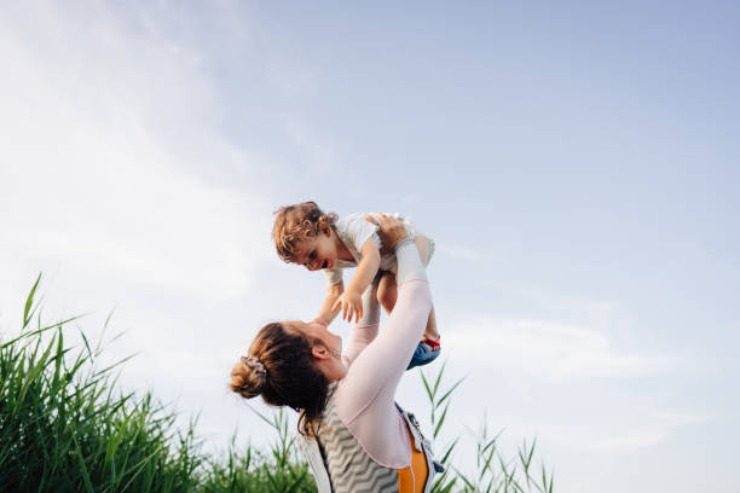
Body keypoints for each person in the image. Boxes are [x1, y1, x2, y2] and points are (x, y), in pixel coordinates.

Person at [231, 214, 441, 492]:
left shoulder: (321, 409)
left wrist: (374, 265)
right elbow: (416, 304)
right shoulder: (356, 397)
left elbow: (363, 339)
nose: (315, 321)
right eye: (306, 325)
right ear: (318, 351)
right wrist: (403, 242)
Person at [271, 201, 440, 369]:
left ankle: (432, 339)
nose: (312, 265)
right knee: (384, 295)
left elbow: (371, 257)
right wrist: (321, 322)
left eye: (312, 255)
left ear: (325, 230)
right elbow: (335, 292)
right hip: (390, 261)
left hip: (411, 240)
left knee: (406, 286)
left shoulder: (352, 227)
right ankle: (412, 339)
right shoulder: (329, 260)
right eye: (305, 264)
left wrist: (354, 292)